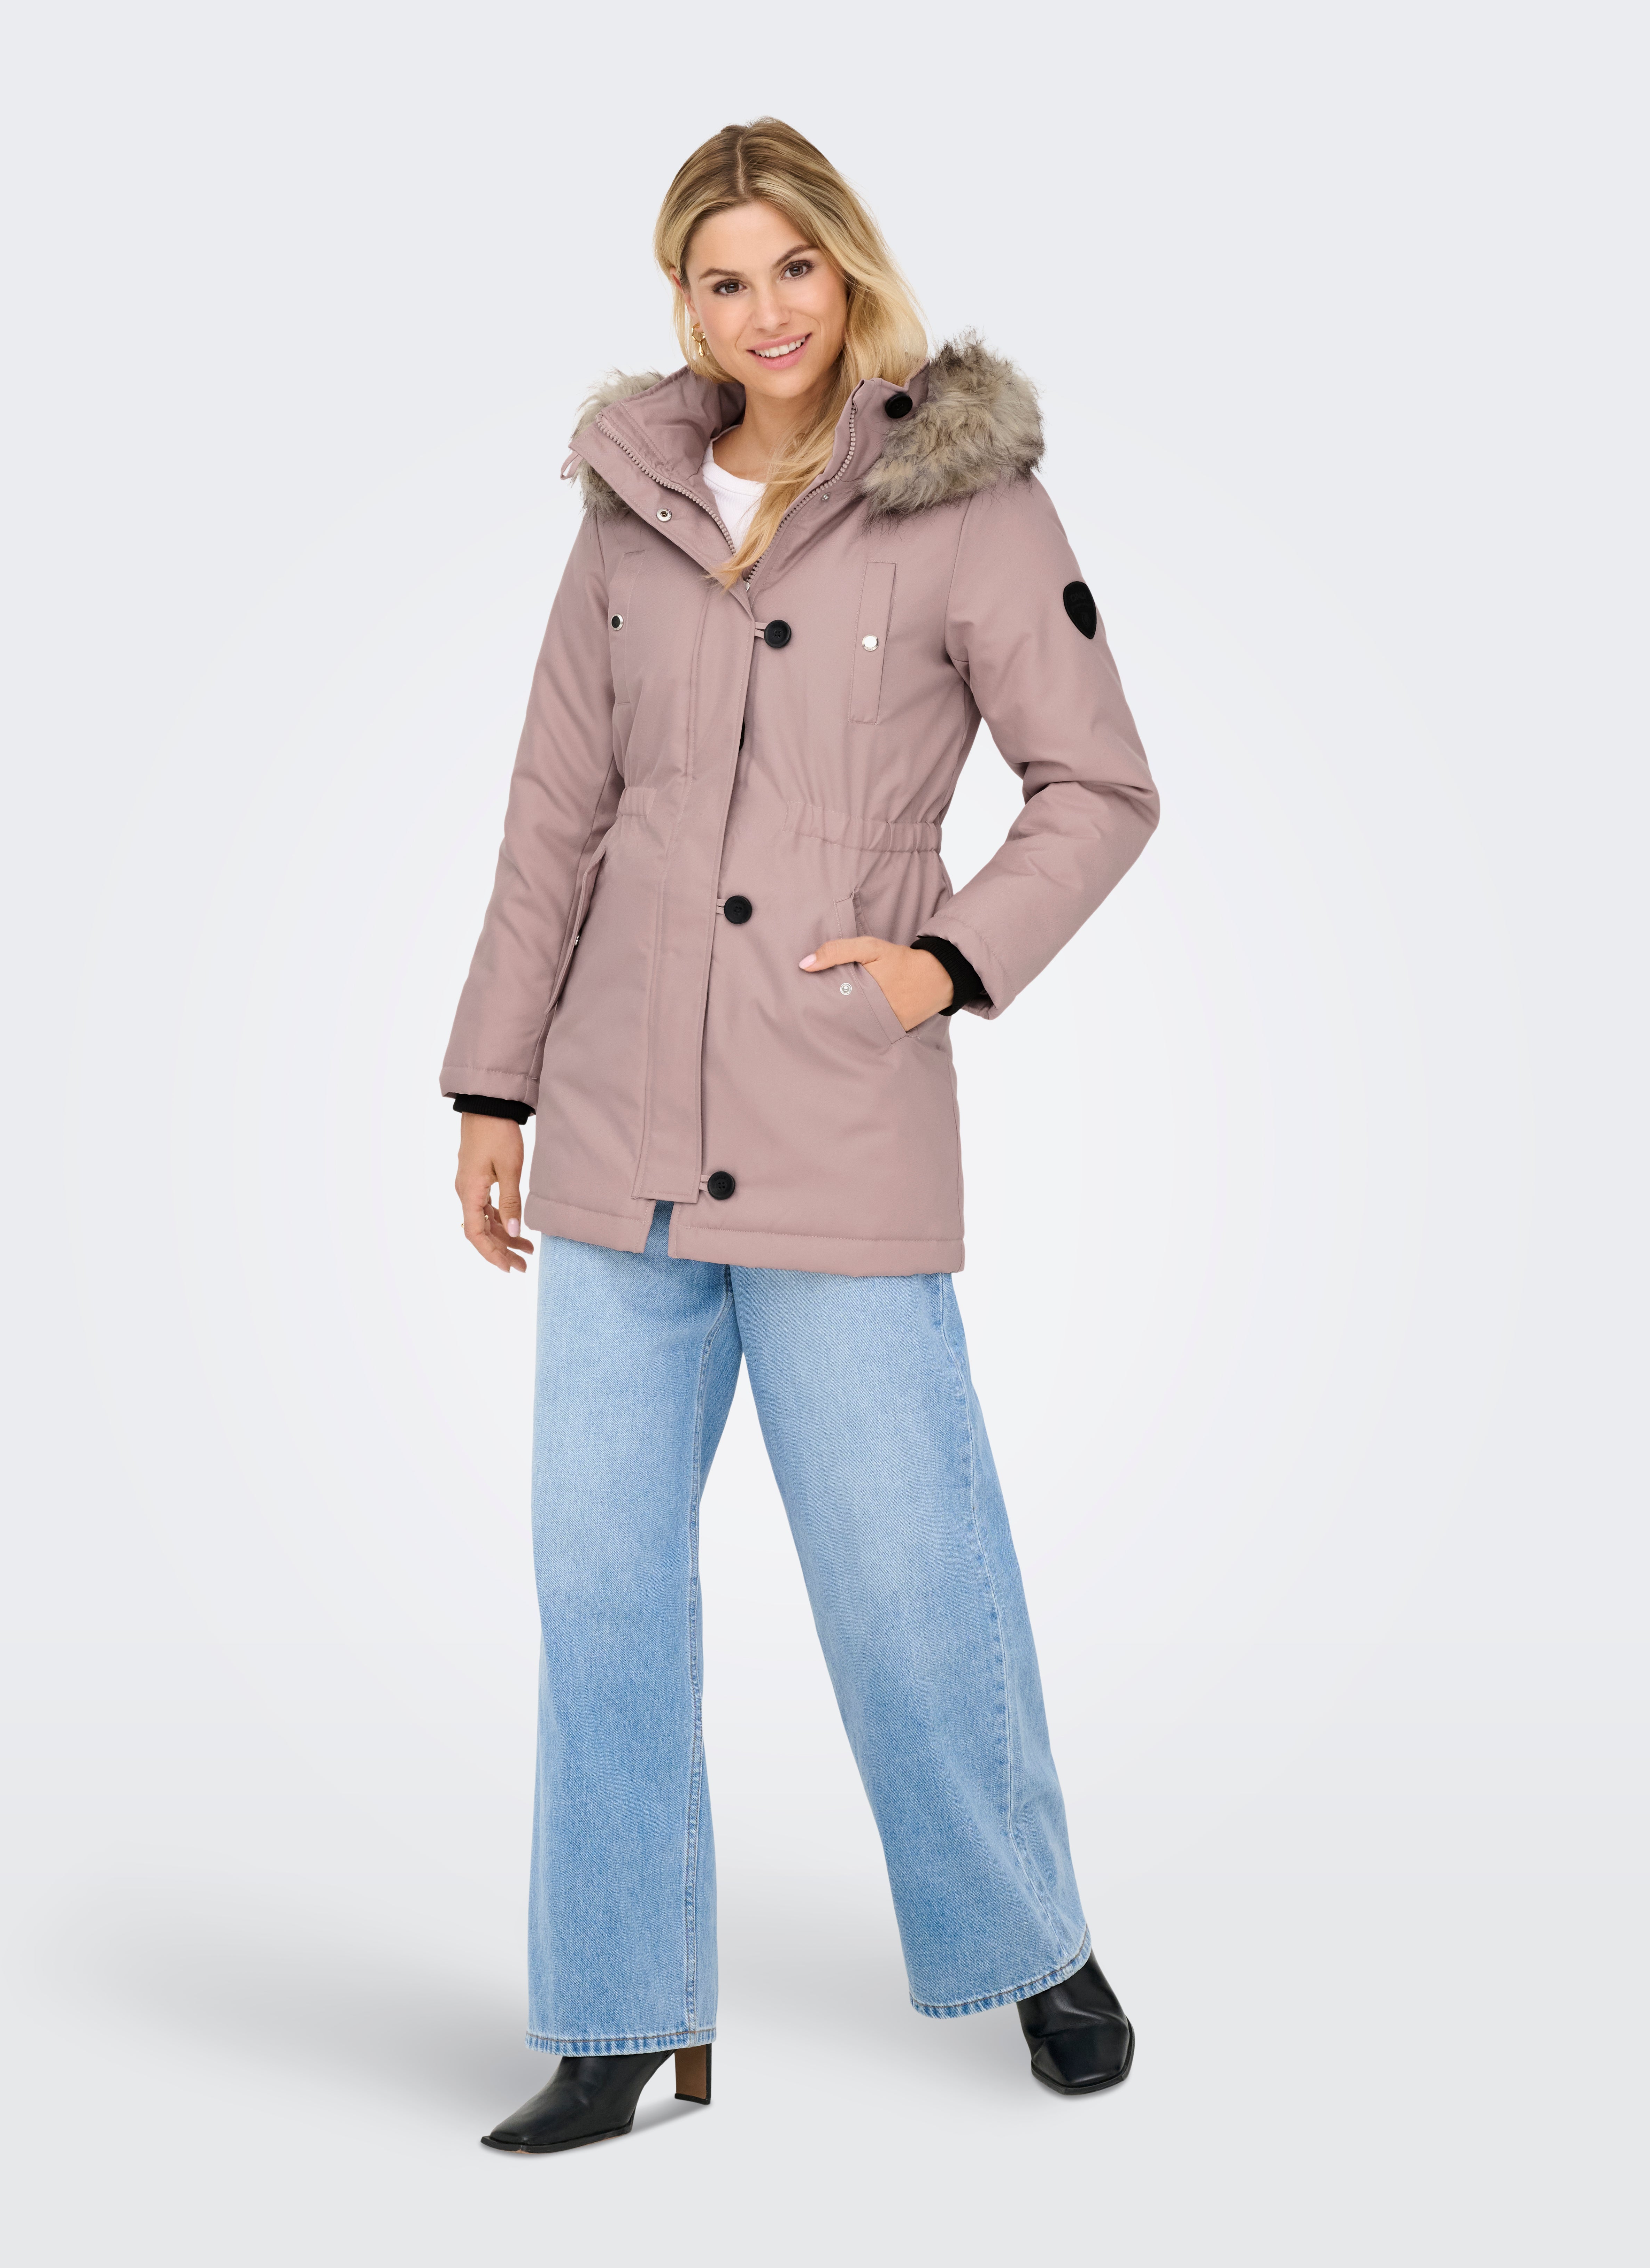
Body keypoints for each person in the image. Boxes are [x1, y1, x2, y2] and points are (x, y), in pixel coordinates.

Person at [443, 117, 1159, 2154]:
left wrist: (946, 964)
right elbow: (553, 815)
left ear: (848, 270)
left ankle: (1034, 1946)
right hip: (614, 1132)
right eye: (720, 278)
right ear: (680, 302)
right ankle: (614, 2017)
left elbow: (1099, 787)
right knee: (599, 1590)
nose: (762, 311)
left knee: (910, 1582)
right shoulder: (630, 511)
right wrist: (492, 1085)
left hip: (836, 1111)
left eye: (792, 268)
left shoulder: (968, 501)